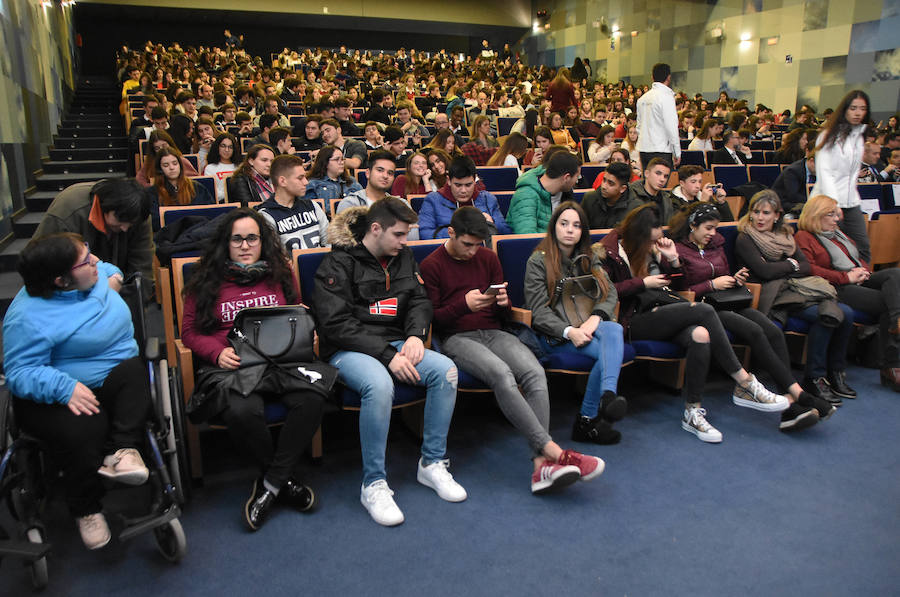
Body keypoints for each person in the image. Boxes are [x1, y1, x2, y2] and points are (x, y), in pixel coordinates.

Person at [421, 206, 604, 493]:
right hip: (457, 337)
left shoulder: (488, 257)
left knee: (534, 372)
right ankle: (550, 451)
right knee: (502, 375)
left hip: (494, 330)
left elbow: (502, 315)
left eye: (478, 244)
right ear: (451, 233)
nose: (472, 252)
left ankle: (540, 464)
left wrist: (503, 304)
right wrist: (462, 305)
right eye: (467, 244)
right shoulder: (432, 265)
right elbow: (432, 320)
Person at [313, 198, 467, 526]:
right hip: (347, 348)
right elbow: (335, 324)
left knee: (446, 371)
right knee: (380, 384)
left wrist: (415, 334)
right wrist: (387, 356)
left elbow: (419, 300)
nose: (405, 241)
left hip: (397, 341)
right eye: (399, 234)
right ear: (375, 229)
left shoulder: (402, 256)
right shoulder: (337, 262)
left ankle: (432, 463)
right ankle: (373, 484)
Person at [4, 233, 152, 550]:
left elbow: (109, 266)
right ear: (61, 280)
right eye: (86, 260)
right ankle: (86, 507)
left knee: (136, 371)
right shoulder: (27, 317)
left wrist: (114, 275)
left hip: (116, 371)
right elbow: (19, 373)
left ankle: (122, 451)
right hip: (59, 393)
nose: (95, 261)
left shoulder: (92, 276)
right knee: (87, 427)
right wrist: (64, 386)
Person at [181, 208, 323, 531]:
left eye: (252, 238)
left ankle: (270, 484)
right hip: (233, 365)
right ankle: (283, 482)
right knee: (243, 410)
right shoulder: (206, 280)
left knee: (313, 396)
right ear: (225, 243)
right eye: (237, 239)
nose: (245, 245)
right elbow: (188, 332)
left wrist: (305, 323)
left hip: (279, 360)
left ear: (263, 241)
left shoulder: (280, 273)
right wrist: (216, 354)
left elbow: (297, 311)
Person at [600, 203, 788, 442]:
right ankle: (744, 382)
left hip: (666, 310)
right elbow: (607, 291)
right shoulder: (609, 251)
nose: (653, 246)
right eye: (650, 242)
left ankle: (692, 411)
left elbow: (679, 289)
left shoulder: (653, 250)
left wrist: (674, 261)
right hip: (632, 319)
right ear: (638, 236)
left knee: (700, 334)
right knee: (705, 310)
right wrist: (643, 283)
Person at [669, 203, 832, 430]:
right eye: (708, 228)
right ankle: (798, 397)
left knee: (773, 330)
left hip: (728, 300)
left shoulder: (716, 244)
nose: (712, 234)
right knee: (754, 331)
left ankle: (793, 399)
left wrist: (734, 278)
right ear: (692, 225)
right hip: (706, 308)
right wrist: (711, 284)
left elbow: (722, 272)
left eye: (715, 228)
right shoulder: (679, 250)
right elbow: (680, 290)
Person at [734, 190, 856, 405]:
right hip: (770, 296)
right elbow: (764, 272)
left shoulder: (785, 235)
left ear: (777, 215)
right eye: (756, 212)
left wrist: (782, 267)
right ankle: (814, 378)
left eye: (766, 213)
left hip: (796, 291)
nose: (760, 218)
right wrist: (790, 265)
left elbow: (806, 266)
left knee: (845, 313)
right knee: (825, 315)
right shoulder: (745, 237)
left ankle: (836, 372)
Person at [524, 202, 628, 444]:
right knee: (609, 352)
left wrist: (595, 317)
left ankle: (606, 398)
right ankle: (589, 419)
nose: (570, 230)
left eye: (577, 225)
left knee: (614, 328)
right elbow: (537, 311)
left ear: (583, 231)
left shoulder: (589, 258)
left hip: (587, 325)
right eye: (564, 224)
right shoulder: (538, 261)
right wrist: (570, 331)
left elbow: (610, 293)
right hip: (554, 335)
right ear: (554, 227)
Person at [795, 195, 900, 392]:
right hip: (837, 287)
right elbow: (809, 269)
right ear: (816, 216)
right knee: (889, 303)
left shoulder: (838, 234)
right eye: (831, 215)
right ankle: (892, 365)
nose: (837, 219)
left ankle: (897, 322)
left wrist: (862, 271)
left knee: (896, 274)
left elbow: (857, 258)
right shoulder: (804, 236)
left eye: (837, 215)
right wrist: (846, 277)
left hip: (857, 279)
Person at [33, 178, 153, 283]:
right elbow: (40, 265)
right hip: (68, 292)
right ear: (107, 206)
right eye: (120, 220)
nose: (125, 228)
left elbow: (142, 272)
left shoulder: (138, 214)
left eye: (130, 224)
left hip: (117, 288)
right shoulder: (68, 212)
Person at [810, 90, 871, 262]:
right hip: (827, 202)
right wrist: (833, 204)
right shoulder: (828, 135)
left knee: (863, 248)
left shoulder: (858, 138)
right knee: (834, 252)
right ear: (844, 109)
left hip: (851, 202)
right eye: (853, 108)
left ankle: (864, 282)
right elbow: (825, 173)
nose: (858, 113)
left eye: (862, 108)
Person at [418, 155, 511, 239]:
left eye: (468, 185)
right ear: (449, 181)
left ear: (475, 180)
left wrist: (492, 223)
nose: (463, 190)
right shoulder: (433, 200)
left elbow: (506, 233)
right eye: (458, 185)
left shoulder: (488, 199)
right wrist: (461, 230)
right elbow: (425, 234)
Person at [257, 154, 329, 250]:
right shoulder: (266, 216)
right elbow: (274, 256)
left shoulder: (313, 206)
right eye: (300, 178)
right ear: (282, 181)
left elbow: (330, 243)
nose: (306, 182)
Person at [507, 151, 581, 233]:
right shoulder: (525, 196)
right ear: (566, 178)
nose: (577, 181)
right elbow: (527, 237)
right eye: (577, 176)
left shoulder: (566, 193)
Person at [147, 147, 214, 230]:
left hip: (197, 233)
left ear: (180, 165)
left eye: (175, 163)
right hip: (169, 237)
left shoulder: (197, 187)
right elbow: (155, 221)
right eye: (166, 165)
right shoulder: (152, 192)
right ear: (160, 169)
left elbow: (209, 213)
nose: (171, 168)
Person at [635, 63, 680, 169]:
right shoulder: (667, 97)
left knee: (647, 184)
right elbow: (671, 127)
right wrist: (677, 152)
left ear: (652, 77)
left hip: (643, 149)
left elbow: (639, 127)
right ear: (669, 77)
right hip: (661, 150)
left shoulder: (642, 98)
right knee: (661, 184)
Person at [580, 162, 641, 229]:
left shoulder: (635, 208)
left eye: (611, 183)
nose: (603, 186)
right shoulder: (589, 198)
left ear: (622, 189)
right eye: (604, 180)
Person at [629, 157, 675, 224]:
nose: (662, 179)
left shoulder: (667, 199)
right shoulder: (632, 195)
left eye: (666, 176)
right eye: (658, 173)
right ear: (646, 173)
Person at [203, 133, 240, 202]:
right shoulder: (210, 168)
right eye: (223, 146)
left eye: (230, 147)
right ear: (218, 147)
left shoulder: (240, 167)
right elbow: (213, 193)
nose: (226, 150)